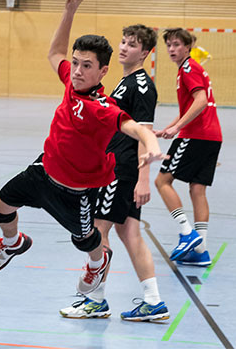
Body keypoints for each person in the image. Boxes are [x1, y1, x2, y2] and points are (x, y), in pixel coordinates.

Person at [0, 0, 166, 300]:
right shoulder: (70, 81)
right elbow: (55, 53)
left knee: (85, 240)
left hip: (75, 190)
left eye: (86, 66)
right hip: (42, 172)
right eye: (77, 63)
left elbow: (135, 127)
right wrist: (70, 10)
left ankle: (98, 263)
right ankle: (13, 242)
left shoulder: (104, 107)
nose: (78, 71)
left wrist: (150, 145)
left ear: (102, 72)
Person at [59, 25, 169, 321]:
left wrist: (143, 179)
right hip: (117, 167)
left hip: (120, 170)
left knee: (98, 232)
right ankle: (153, 301)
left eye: (132, 45)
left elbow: (143, 133)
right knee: (129, 232)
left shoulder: (141, 86)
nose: (124, 48)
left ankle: (95, 299)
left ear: (145, 53)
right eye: (123, 42)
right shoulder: (125, 82)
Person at [154, 28, 222, 267]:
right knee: (197, 190)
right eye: (169, 45)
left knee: (162, 181)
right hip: (212, 136)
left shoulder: (188, 68)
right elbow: (188, 108)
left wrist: (178, 128)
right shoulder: (191, 68)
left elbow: (201, 101)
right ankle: (201, 250)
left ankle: (187, 232)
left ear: (187, 46)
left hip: (196, 135)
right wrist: (169, 128)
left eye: (176, 45)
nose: (172, 49)